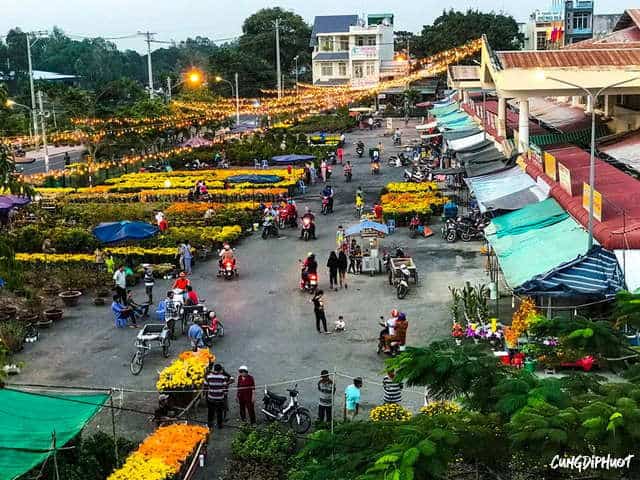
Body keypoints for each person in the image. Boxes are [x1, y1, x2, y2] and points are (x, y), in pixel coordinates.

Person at [204, 364, 231, 429]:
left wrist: (207, 394)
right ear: (220, 370)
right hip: (220, 398)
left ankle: (210, 424)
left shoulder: (209, 377)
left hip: (211, 397)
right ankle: (220, 425)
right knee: (219, 412)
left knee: (210, 412)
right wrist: (224, 395)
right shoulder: (222, 377)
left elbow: (205, 386)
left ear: (214, 369)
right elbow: (224, 388)